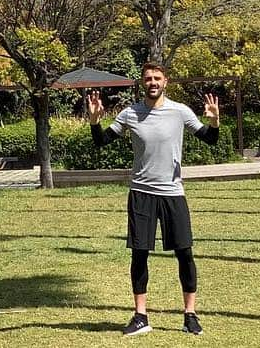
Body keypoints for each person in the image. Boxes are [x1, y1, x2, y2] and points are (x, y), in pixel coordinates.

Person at [87, 61, 221, 337]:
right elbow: (101, 141)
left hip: (173, 194)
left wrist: (215, 121)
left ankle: (190, 315)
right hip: (141, 193)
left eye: (157, 78)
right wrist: (94, 121)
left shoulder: (180, 111)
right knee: (140, 254)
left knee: (184, 252)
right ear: (142, 83)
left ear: (165, 82)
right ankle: (140, 316)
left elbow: (210, 139)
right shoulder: (130, 114)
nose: (152, 82)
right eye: (148, 78)